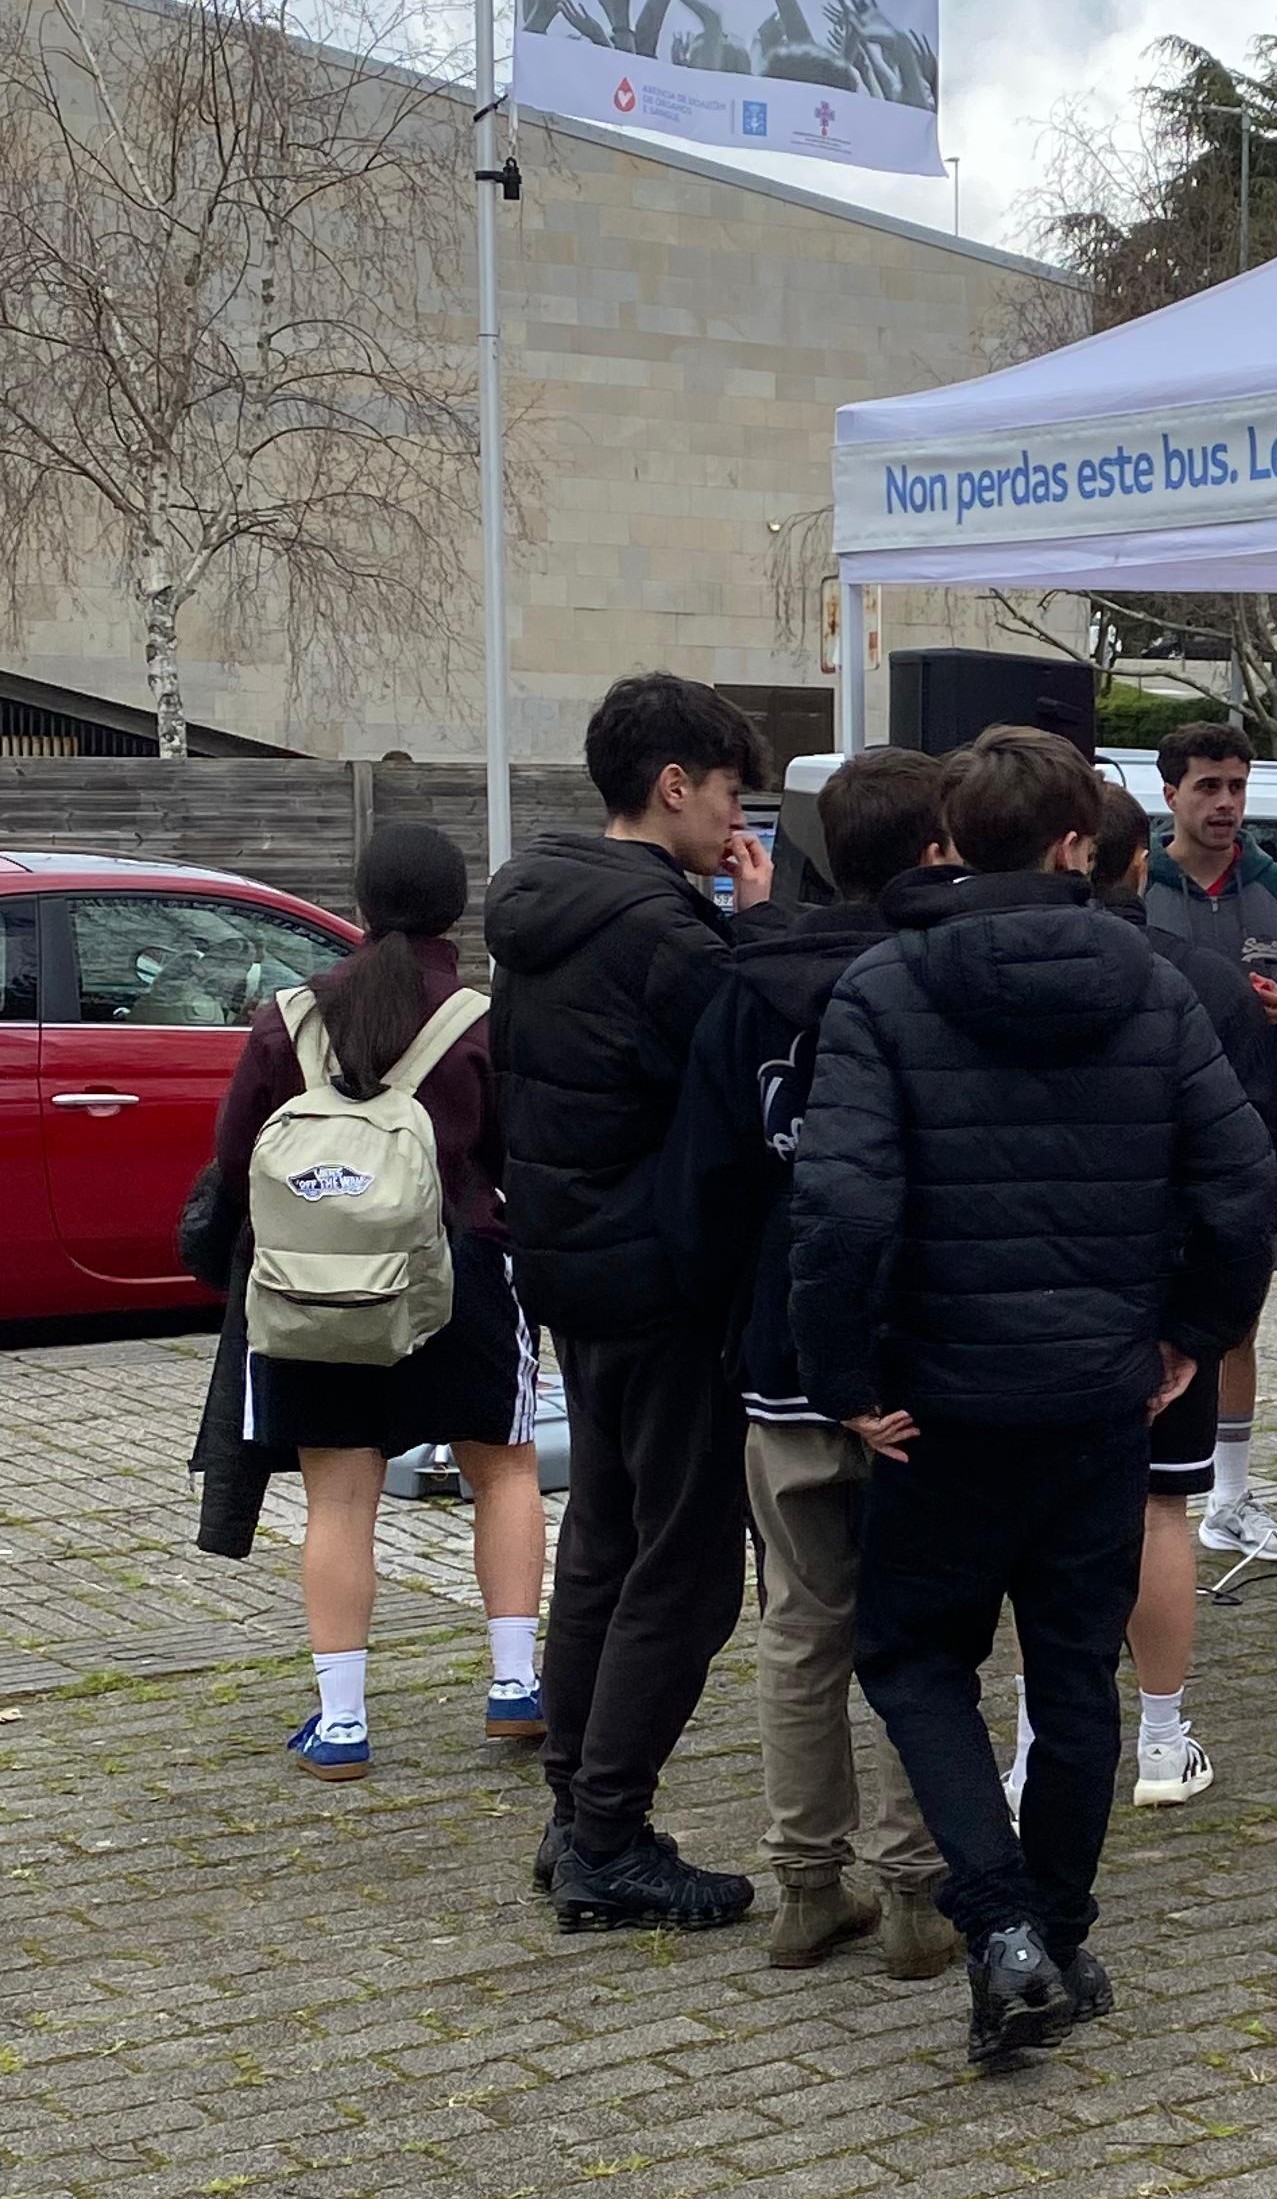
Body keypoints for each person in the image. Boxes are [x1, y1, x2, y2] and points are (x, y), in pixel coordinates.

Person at [790, 729, 1277, 2064]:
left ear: (955, 837)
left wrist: (842, 1375)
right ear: (1077, 842)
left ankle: (1008, 1921)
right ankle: (1049, 1927)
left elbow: (836, 1205)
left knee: (912, 1655)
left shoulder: (884, 988)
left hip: (938, 1400)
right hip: (1092, 1400)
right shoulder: (1160, 981)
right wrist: (1190, 1330)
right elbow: (1242, 1187)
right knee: (1074, 1673)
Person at [485, 671, 780, 1931]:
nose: (736, 822)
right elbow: (753, 1074)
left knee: (605, 1539)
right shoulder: (664, 933)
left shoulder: (545, 909)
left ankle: (576, 1815)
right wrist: (756, 933)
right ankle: (609, 1834)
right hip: (663, 1281)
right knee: (691, 1567)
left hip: (570, 1270)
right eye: (727, 794)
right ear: (674, 786)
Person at [660, 747, 960, 1979]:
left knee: (800, 1626)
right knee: (920, 1634)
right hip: (913, 1367)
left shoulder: (745, 987)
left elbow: (708, 1181)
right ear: (939, 843)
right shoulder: (931, 984)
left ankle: (802, 1886)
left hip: (781, 1355)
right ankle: (913, 1898)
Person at [207, 825, 543, 1780]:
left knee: (339, 1496)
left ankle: (343, 1723)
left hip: (318, 1290)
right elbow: (519, 1158)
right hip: (464, 1273)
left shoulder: (288, 1019)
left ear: (356, 909)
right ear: (456, 910)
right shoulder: (480, 1018)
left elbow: (238, 1163)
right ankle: (516, 1686)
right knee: (505, 1471)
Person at [1097, 781, 1277, 1808]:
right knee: (1157, 1511)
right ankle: (1163, 1741)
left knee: (1048, 1531)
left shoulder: (952, 976)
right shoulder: (1201, 981)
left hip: (1025, 1307)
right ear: (1138, 862)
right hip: (1164, 1292)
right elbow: (1256, 1148)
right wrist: (1210, 1317)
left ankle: (1045, 1744)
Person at [1144, 723, 1277, 1564]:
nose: (1225, 804)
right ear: (1170, 796)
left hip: (1254, 1137)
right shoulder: (1138, 883)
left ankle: (1229, 1498)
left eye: (1237, 787)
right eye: (1208, 788)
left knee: (1238, 1318)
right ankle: (1142, 1488)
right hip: (1153, 1137)